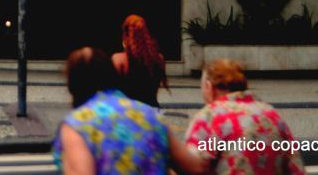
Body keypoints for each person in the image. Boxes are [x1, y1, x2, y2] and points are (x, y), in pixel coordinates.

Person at [55, 46, 207, 175]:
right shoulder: (151, 116)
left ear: (73, 84)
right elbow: (194, 168)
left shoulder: (77, 126)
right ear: (111, 74)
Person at [184, 59, 306, 175]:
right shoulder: (273, 115)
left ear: (208, 86)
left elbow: (192, 167)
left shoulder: (209, 116)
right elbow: (296, 168)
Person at [112, 14, 168, 108]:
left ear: (125, 34)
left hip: (127, 111)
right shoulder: (159, 59)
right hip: (151, 111)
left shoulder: (118, 60)